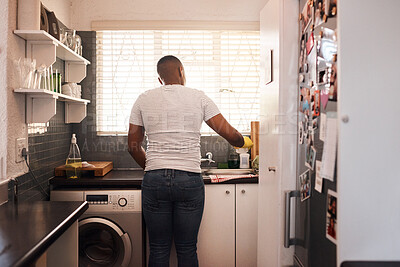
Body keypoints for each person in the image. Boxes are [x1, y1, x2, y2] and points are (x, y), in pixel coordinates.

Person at [128, 55, 253, 267]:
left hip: (155, 179)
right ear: (181, 72)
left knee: (158, 248)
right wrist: (243, 141)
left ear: (160, 79)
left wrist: (153, 167)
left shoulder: (143, 99)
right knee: (187, 249)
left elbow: (133, 146)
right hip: (189, 180)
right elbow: (231, 135)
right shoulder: (199, 98)